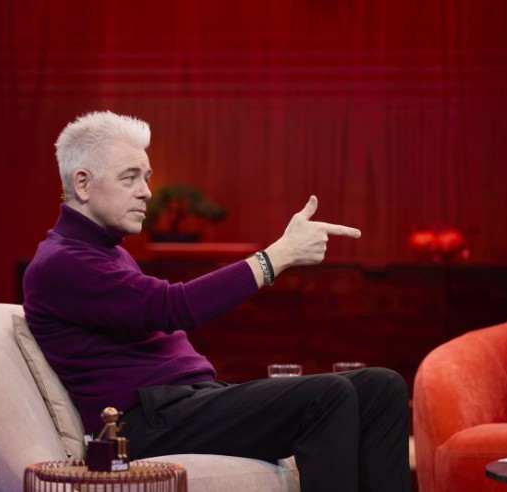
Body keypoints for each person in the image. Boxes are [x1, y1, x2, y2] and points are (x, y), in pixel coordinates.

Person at [23, 111, 411, 492]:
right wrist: (277, 256)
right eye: (130, 178)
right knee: (328, 396)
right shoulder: (62, 263)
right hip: (138, 423)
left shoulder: (106, 251)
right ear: (83, 183)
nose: (146, 191)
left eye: (146, 177)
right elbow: (173, 307)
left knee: (383, 387)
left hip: (184, 403)